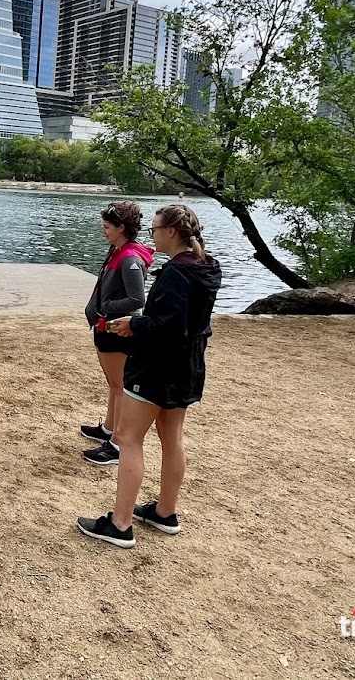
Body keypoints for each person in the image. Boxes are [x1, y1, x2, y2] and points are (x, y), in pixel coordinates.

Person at [77, 203, 222, 549]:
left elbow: (167, 326)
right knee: (172, 437)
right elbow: (188, 324)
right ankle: (164, 512)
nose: (152, 235)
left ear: (171, 231)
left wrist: (133, 324)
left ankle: (120, 524)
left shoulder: (176, 273)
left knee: (128, 440)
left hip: (157, 367)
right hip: (188, 366)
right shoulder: (205, 266)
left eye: (156, 229)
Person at [81, 201, 153, 467]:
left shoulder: (130, 258)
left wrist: (107, 308)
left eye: (107, 227)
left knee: (120, 386)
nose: (104, 232)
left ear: (122, 228)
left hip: (116, 328)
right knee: (114, 384)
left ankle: (116, 444)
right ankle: (109, 429)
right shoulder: (118, 250)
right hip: (106, 326)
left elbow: (136, 298)